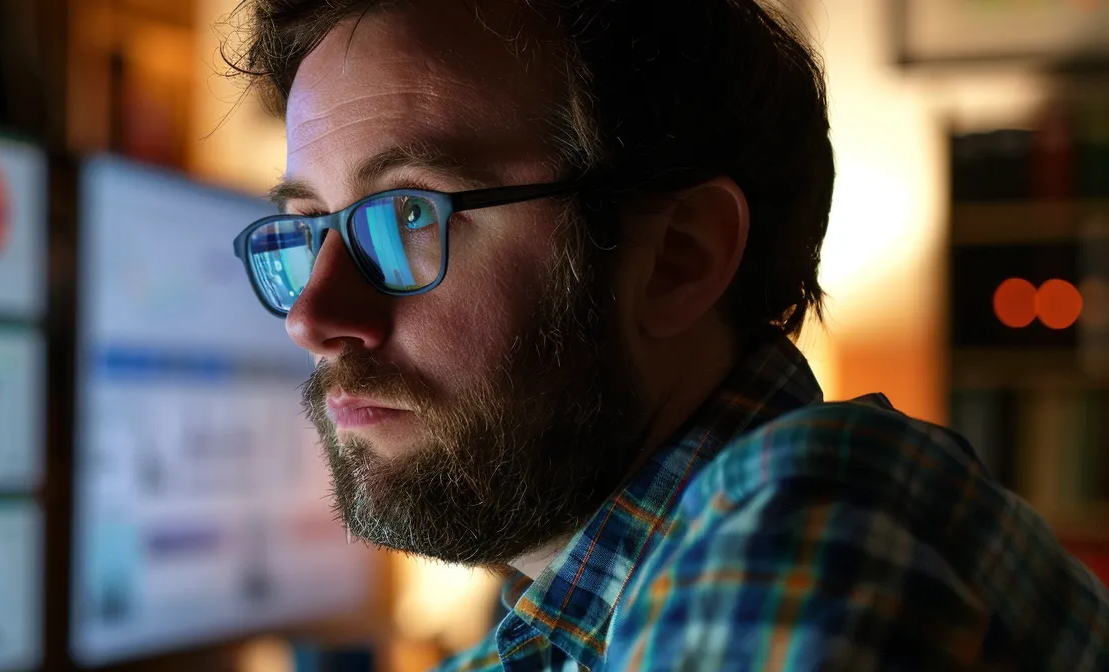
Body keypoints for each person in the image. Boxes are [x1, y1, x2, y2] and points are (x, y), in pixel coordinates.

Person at [224, 0, 1109, 669]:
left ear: (677, 258)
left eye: (407, 213)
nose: (313, 317)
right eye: (306, 228)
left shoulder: (792, 539)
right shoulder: (580, 615)